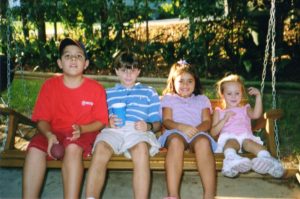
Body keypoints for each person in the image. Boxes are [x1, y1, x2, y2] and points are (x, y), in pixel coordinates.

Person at [22, 38, 109, 199]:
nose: (73, 59)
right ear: (60, 63)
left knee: (73, 148)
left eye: (79, 56)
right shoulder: (49, 86)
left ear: (86, 64)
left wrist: (82, 128)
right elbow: (41, 119)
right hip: (53, 132)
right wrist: (49, 135)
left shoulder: (96, 89)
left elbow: (101, 121)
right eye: (67, 56)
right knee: (34, 149)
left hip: (83, 134)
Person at [85, 51, 161, 199]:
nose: (128, 75)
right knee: (100, 148)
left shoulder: (149, 92)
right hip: (113, 130)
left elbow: (158, 123)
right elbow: (99, 121)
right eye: (124, 70)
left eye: (132, 70)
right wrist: (107, 123)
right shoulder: (107, 93)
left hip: (137, 129)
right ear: (116, 71)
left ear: (138, 71)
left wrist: (149, 126)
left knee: (141, 150)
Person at [158, 60, 217, 199]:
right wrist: (182, 127)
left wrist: (194, 130)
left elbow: (207, 122)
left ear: (195, 82)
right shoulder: (169, 98)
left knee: (203, 142)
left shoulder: (202, 99)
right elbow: (166, 121)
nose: (185, 85)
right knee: (176, 142)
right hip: (175, 132)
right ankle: (173, 195)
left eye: (190, 81)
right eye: (181, 81)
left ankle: (209, 196)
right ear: (173, 82)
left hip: (197, 132)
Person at [211, 74, 284, 178]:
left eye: (237, 93)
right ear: (222, 95)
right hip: (229, 138)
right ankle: (231, 161)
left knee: (250, 143)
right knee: (232, 142)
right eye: (229, 93)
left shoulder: (245, 108)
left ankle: (267, 160)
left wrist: (258, 96)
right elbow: (213, 132)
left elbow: (256, 115)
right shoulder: (219, 112)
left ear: (241, 94)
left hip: (245, 136)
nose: (233, 96)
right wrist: (224, 119)